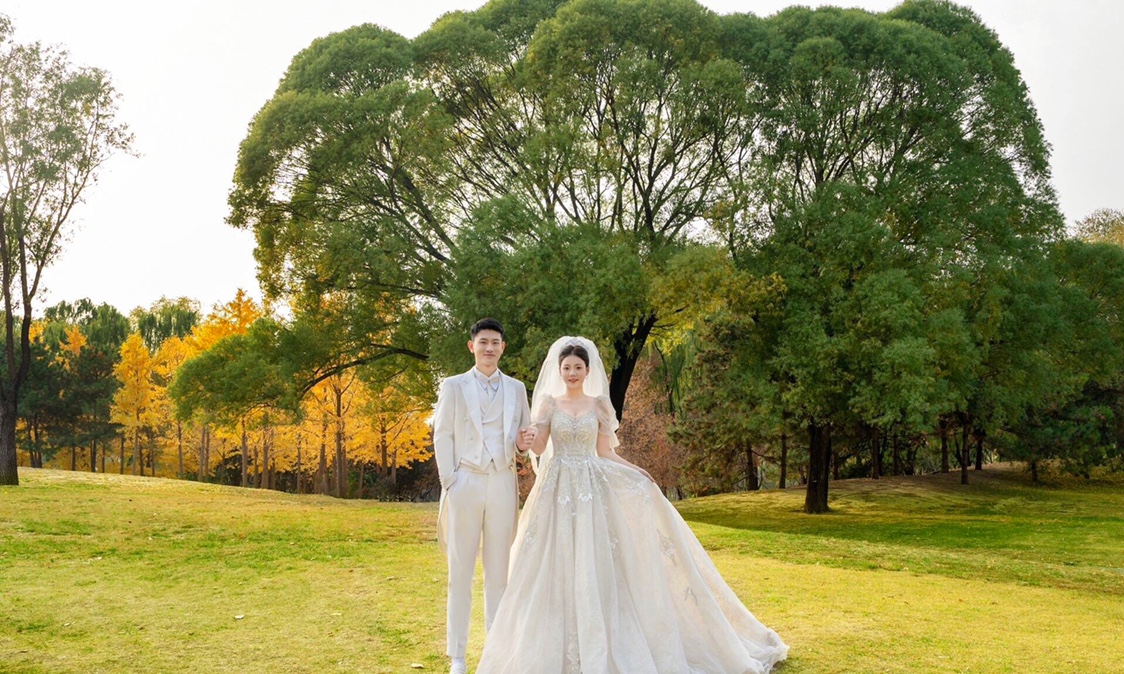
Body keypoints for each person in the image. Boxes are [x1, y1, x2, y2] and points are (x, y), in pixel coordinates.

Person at [475, 336, 788, 674]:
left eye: (578, 367)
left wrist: (637, 471)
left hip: (590, 489)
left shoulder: (598, 405)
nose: (572, 373)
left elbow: (604, 452)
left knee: (594, 559)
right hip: (557, 488)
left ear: (588, 370)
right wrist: (526, 440)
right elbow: (538, 449)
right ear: (559, 371)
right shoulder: (549, 404)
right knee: (553, 559)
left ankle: (601, 636)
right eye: (567, 368)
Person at [432, 318, 533, 674]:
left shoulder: (517, 388)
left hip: (503, 481)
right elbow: (442, 433)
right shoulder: (453, 386)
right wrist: (450, 480)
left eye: (495, 342)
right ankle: (457, 656)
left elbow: (524, 439)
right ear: (472, 346)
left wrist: (522, 445)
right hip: (466, 481)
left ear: (503, 347)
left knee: (499, 573)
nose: (489, 348)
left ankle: (495, 653)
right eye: (483, 342)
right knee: (459, 571)